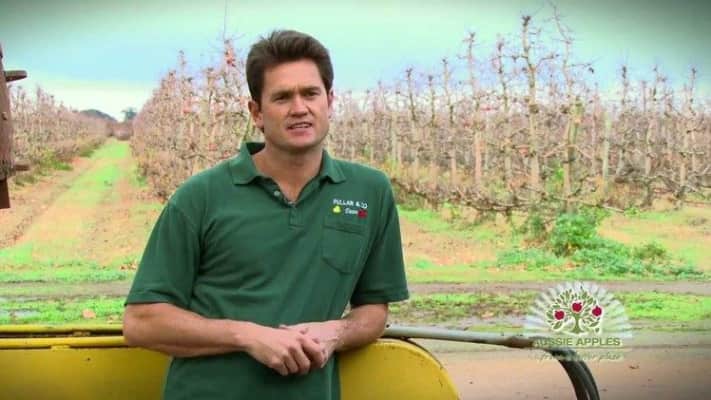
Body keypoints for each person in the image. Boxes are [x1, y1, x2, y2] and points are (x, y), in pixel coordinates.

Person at [123, 29, 409, 400]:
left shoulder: (368, 192)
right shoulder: (200, 197)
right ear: (256, 112)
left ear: (330, 101)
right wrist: (247, 335)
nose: (299, 108)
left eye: (310, 93)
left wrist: (334, 333)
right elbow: (141, 322)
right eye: (282, 97)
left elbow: (373, 309)